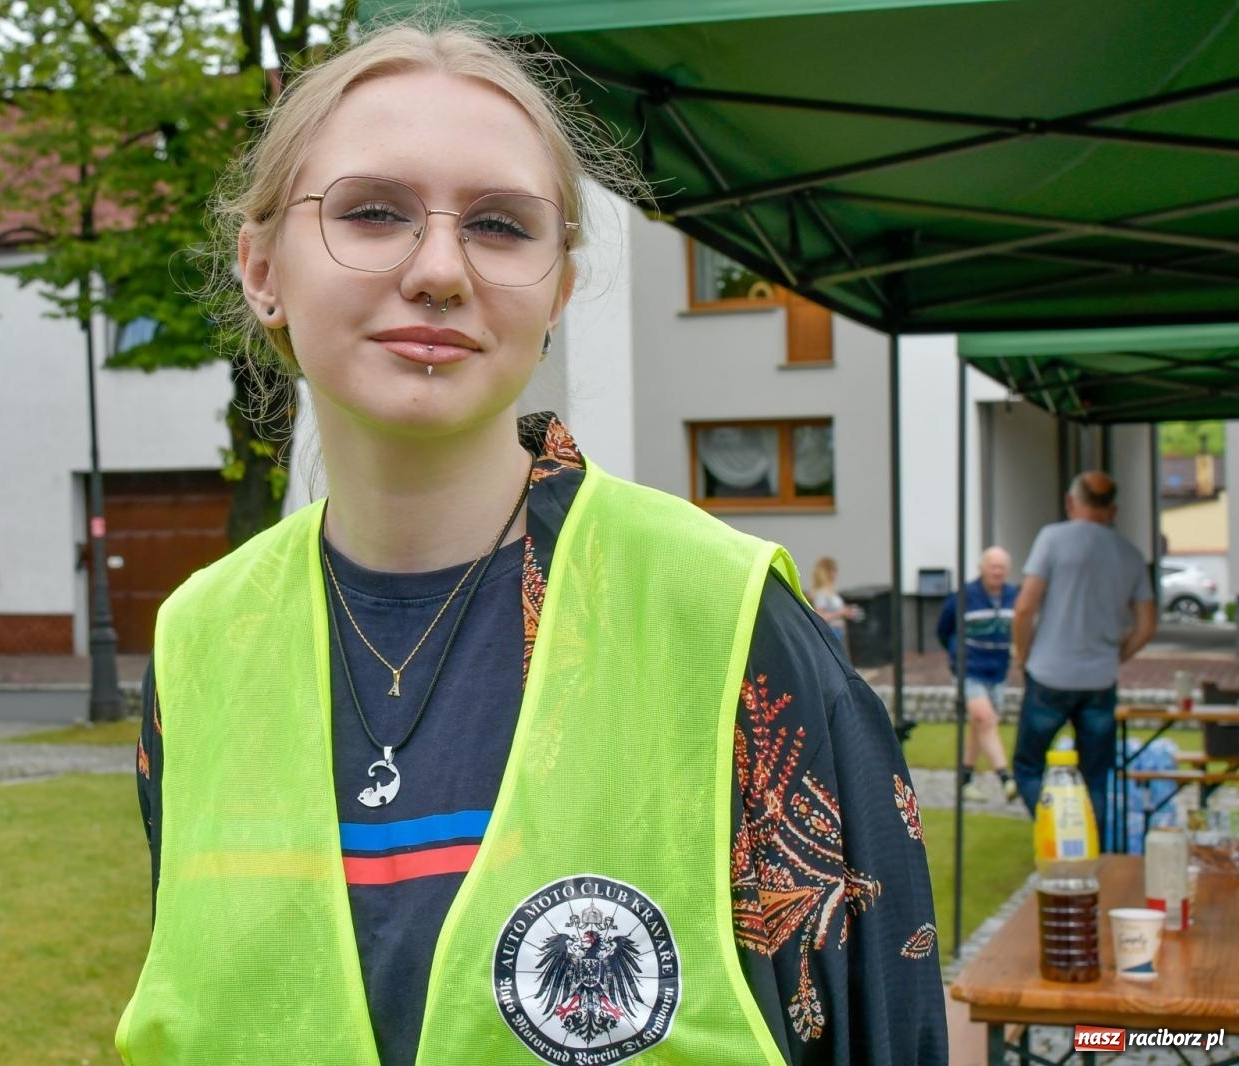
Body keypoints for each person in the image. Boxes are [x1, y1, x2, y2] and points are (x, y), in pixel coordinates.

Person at [118, 20, 945, 1066]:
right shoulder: (198, 645)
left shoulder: (726, 625)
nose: (438, 270)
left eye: (502, 226)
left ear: (556, 287)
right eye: (373, 212)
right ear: (261, 266)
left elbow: (885, 1029)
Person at [1012, 471, 1157, 835]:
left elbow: (1025, 607)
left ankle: (1057, 830)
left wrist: (1023, 653)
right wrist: (1119, 653)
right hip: (1100, 678)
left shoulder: (1052, 538)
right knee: (1096, 775)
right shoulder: (1130, 554)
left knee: (1029, 767)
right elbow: (1147, 624)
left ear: (1070, 502)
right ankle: (1090, 848)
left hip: (1048, 673)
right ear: (1114, 510)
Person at [936, 546, 1019, 803]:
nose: (997, 571)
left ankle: (965, 780)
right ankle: (1006, 778)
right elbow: (943, 628)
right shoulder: (964, 596)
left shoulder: (1014, 595)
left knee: (979, 725)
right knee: (985, 720)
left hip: (998, 669)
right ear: (981, 568)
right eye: (993, 566)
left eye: (1002, 567)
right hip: (968, 667)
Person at [807, 556, 858, 649]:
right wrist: (840, 613)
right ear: (828, 572)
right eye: (835, 570)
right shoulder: (822, 593)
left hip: (838, 631)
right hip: (831, 632)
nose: (837, 573)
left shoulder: (830, 592)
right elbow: (820, 616)